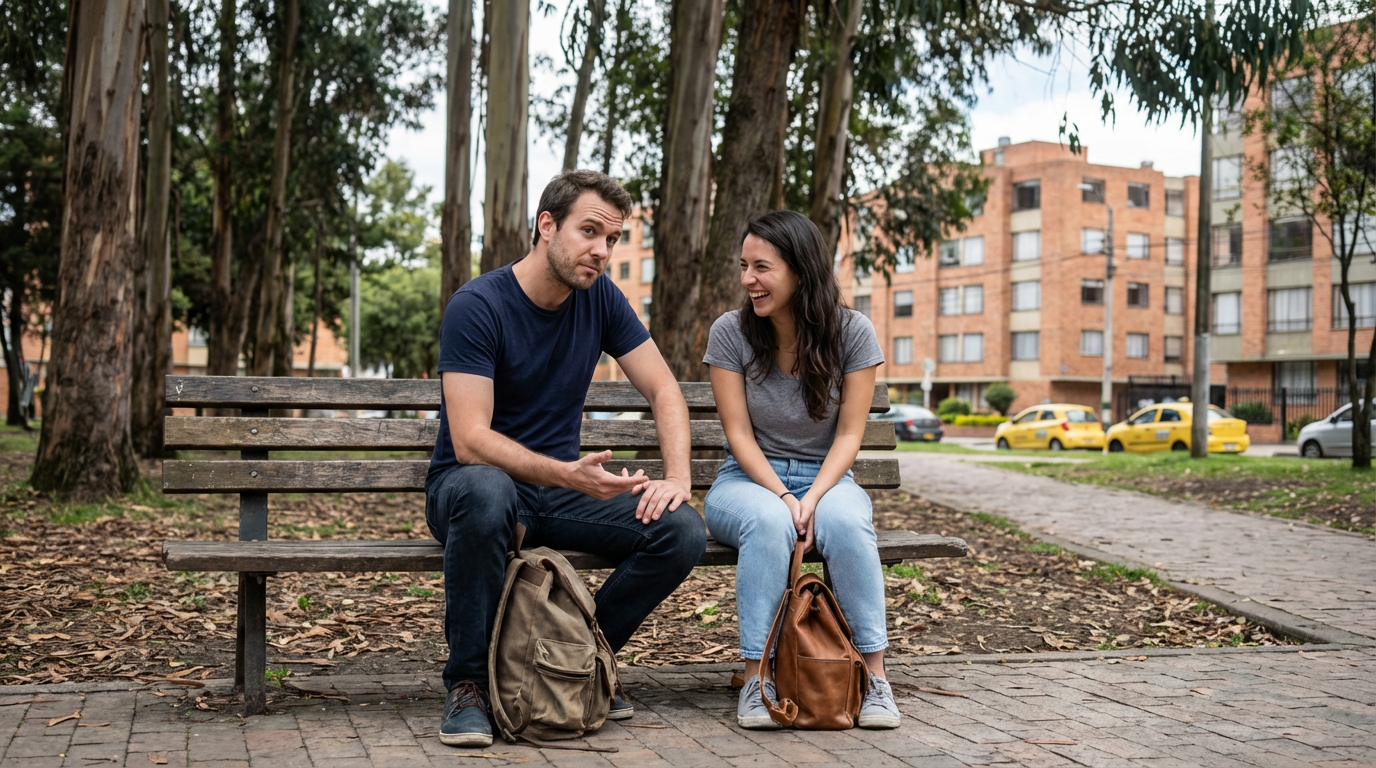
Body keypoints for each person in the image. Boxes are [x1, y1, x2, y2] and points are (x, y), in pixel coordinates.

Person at [426, 170, 706, 748]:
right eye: (589, 232)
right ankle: (470, 684)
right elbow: (470, 440)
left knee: (679, 531)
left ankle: (576, 659)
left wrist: (677, 477)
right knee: (487, 490)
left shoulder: (600, 298)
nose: (602, 251)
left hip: (555, 490)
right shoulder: (478, 305)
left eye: (612, 239)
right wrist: (567, 473)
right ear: (546, 225)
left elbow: (665, 391)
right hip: (470, 488)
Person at [702, 210, 899, 730]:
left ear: (800, 270)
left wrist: (812, 496)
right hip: (746, 482)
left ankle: (875, 678)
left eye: (761, 267)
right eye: (744, 266)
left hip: (828, 479)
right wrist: (786, 498)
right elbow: (739, 436)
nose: (748, 280)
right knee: (768, 521)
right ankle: (755, 678)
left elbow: (850, 435)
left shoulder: (852, 332)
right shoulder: (731, 332)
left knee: (849, 523)